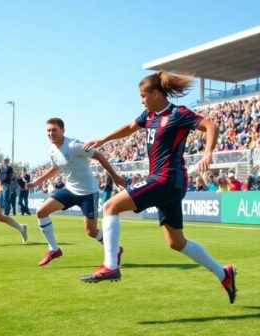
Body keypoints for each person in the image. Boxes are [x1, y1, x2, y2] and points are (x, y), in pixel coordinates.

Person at [79, 71, 236, 304]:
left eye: (143, 96)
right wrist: (103, 139)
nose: (141, 100)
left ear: (155, 94)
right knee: (176, 243)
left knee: (111, 206)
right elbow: (130, 127)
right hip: (166, 182)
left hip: (167, 179)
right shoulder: (149, 115)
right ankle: (224, 274)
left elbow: (210, 125)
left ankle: (111, 266)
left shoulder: (177, 113)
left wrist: (208, 153)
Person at [27, 117, 126, 266]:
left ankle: (116, 250)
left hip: (88, 192)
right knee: (41, 212)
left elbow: (98, 155)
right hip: (70, 189)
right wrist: (36, 182)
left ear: (63, 130)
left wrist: (115, 175)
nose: (50, 133)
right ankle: (54, 249)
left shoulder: (74, 145)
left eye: (54, 130)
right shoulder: (52, 150)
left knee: (91, 231)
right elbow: (55, 168)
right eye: (48, 130)